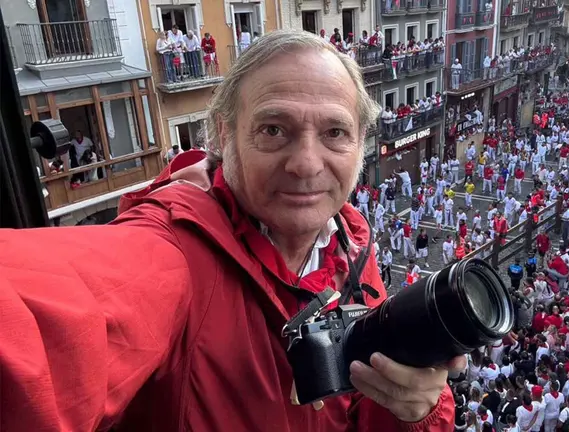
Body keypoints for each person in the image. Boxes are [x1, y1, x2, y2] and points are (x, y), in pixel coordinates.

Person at [0, 31, 458, 431]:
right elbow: (45, 319)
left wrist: (414, 411)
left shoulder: (351, 244)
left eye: (335, 132)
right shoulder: (174, 251)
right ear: (224, 136)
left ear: (360, 142)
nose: (306, 163)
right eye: (274, 129)